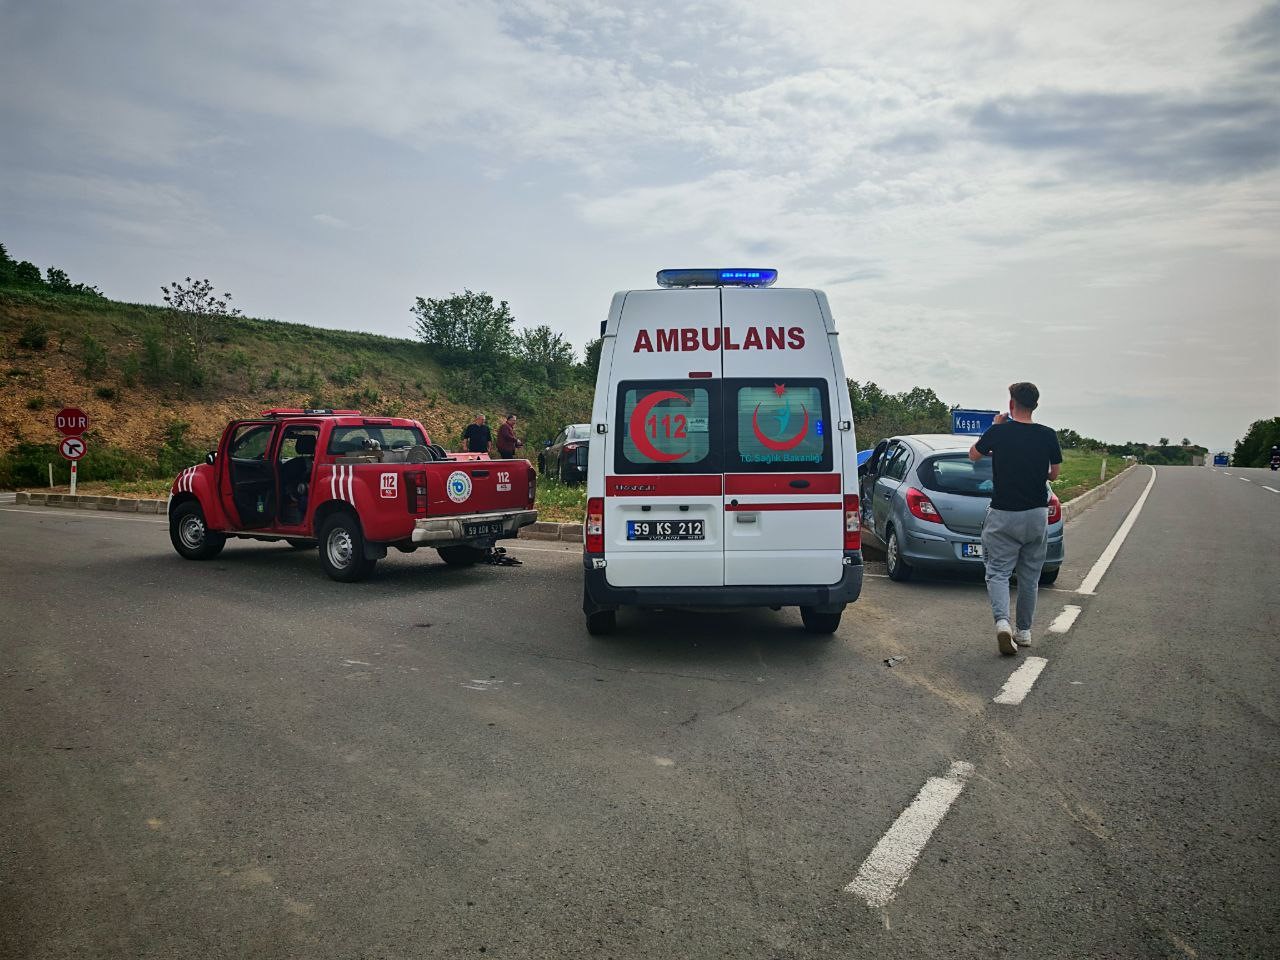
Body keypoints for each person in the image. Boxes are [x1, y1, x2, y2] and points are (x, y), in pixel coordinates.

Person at [970, 382, 1062, 656]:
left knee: (998, 572)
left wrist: (996, 428)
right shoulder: (1048, 435)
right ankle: (1023, 631)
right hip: (1036, 515)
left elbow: (973, 455)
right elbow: (1054, 475)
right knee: (1030, 576)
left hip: (1003, 515)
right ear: (1035, 405)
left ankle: (1002, 623)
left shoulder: (1000, 431)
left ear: (1011, 405)